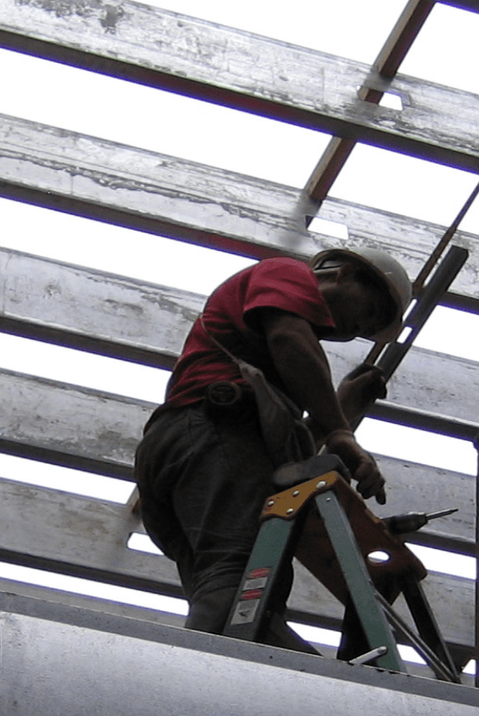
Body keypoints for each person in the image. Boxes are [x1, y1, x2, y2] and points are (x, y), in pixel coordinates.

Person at [134, 249, 410, 646]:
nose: (356, 328)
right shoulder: (287, 272)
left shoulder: (273, 354)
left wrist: (341, 411)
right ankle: (205, 670)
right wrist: (341, 433)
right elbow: (289, 339)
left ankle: (256, 668)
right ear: (345, 274)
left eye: (366, 330)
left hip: (191, 454)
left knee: (239, 597)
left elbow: (278, 456)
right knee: (240, 580)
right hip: (212, 430)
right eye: (368, 311)